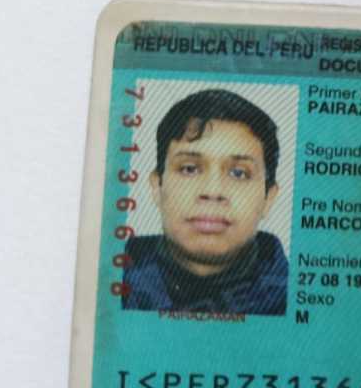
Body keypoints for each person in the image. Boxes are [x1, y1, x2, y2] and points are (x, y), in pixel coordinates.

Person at [122, 89, 288, 315]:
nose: (212, 191)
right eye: (189, 169)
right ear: (157, 186)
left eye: (239, 173)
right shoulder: (106, 279)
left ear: (268, 197)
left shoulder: (296, 298)